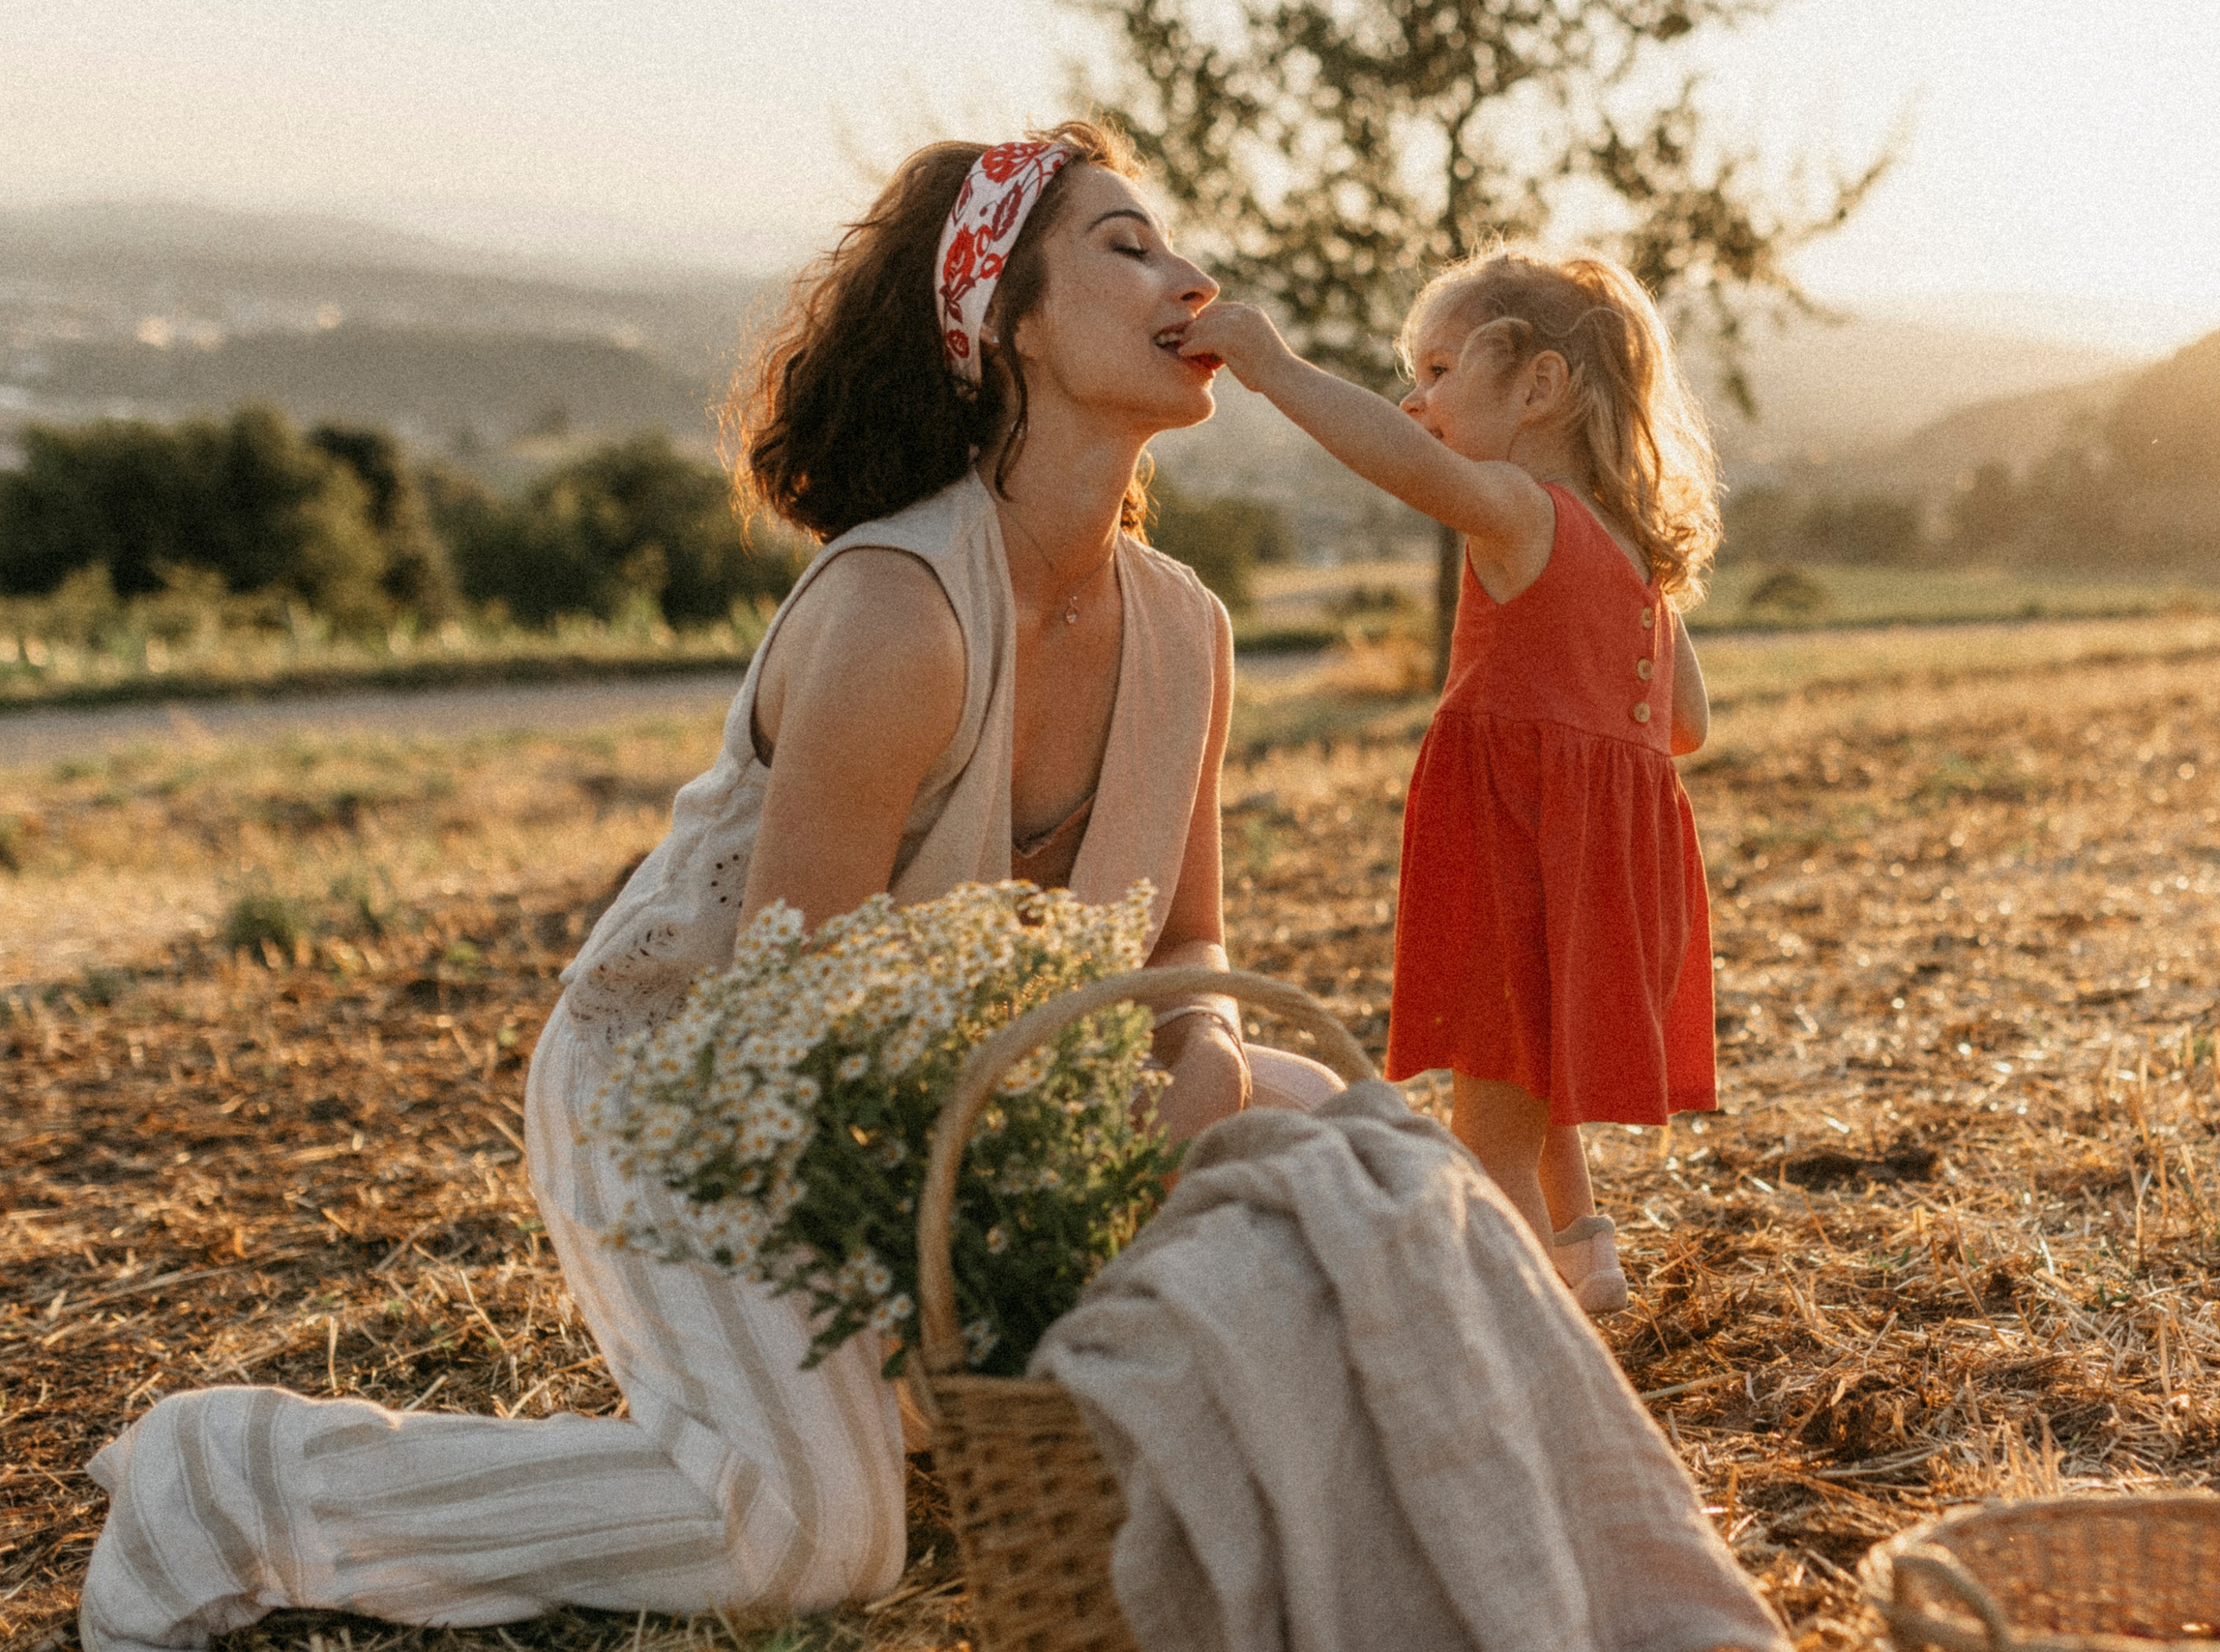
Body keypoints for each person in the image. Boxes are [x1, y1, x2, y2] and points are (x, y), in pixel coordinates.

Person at [79, 121, 1339, 1652]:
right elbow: (785, 1023)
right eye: (1128, 245)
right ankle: (234, 1478)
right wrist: (1012, 1211)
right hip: (688, 1101)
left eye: (1174, 242)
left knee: (1346, 1129)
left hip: (950, 1113)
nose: (1190, 275)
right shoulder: (900, 614)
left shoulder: (1186, 629)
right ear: (1001, 322)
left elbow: (1189, 947)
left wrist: (1201, 1068)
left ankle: (890, 1395)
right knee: (814, 1537)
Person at [1178, 249, 1721, 1315]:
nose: (1412, 401)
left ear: (1537, 386)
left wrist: (1272, 366)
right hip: (1597, 871)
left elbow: (1393, 461)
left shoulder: (1521, 511)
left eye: (1435, 370)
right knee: (1533, 1069)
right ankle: (1588, 1249)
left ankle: (1538, 1336)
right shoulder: (1632, 555)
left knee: (1489, 1135)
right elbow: (1687, 725)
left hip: (1513, 846)